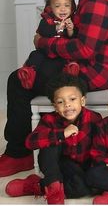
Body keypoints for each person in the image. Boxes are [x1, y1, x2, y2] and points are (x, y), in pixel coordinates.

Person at [0, 0, 108, 177]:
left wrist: (43, 43)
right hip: (84, 65)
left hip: (98, 71)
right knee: (30, 73)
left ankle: (19, 154)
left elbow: (85, 50)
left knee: (17, 81)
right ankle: (36, 141)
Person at [5, 73, 102, 204]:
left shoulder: (94, 118)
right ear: (55, 106)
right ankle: (53, 188)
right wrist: (62, 133)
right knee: (50, 142)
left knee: (84, 187)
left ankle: (38, 186)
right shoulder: (49, 120)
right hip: (58, 165)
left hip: (80, 167)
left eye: (72, 99)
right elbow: (30, 142)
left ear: (82, 101)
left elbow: (101, 145)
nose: (67, 105)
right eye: (61, 102)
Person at [17, 0, 80, 90]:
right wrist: (56, 28)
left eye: (66, 5)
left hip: (61, 53)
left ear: (72, 7)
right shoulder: (47, 20)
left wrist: (70, 30)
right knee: (35, 55)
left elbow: (73, 38)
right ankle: (29, 73)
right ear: (50, 8)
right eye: (57, 6)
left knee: (68, 57)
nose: (62, 9)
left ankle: (69, 70)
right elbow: (43, 31)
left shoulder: (71, 21)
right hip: (46, 52)